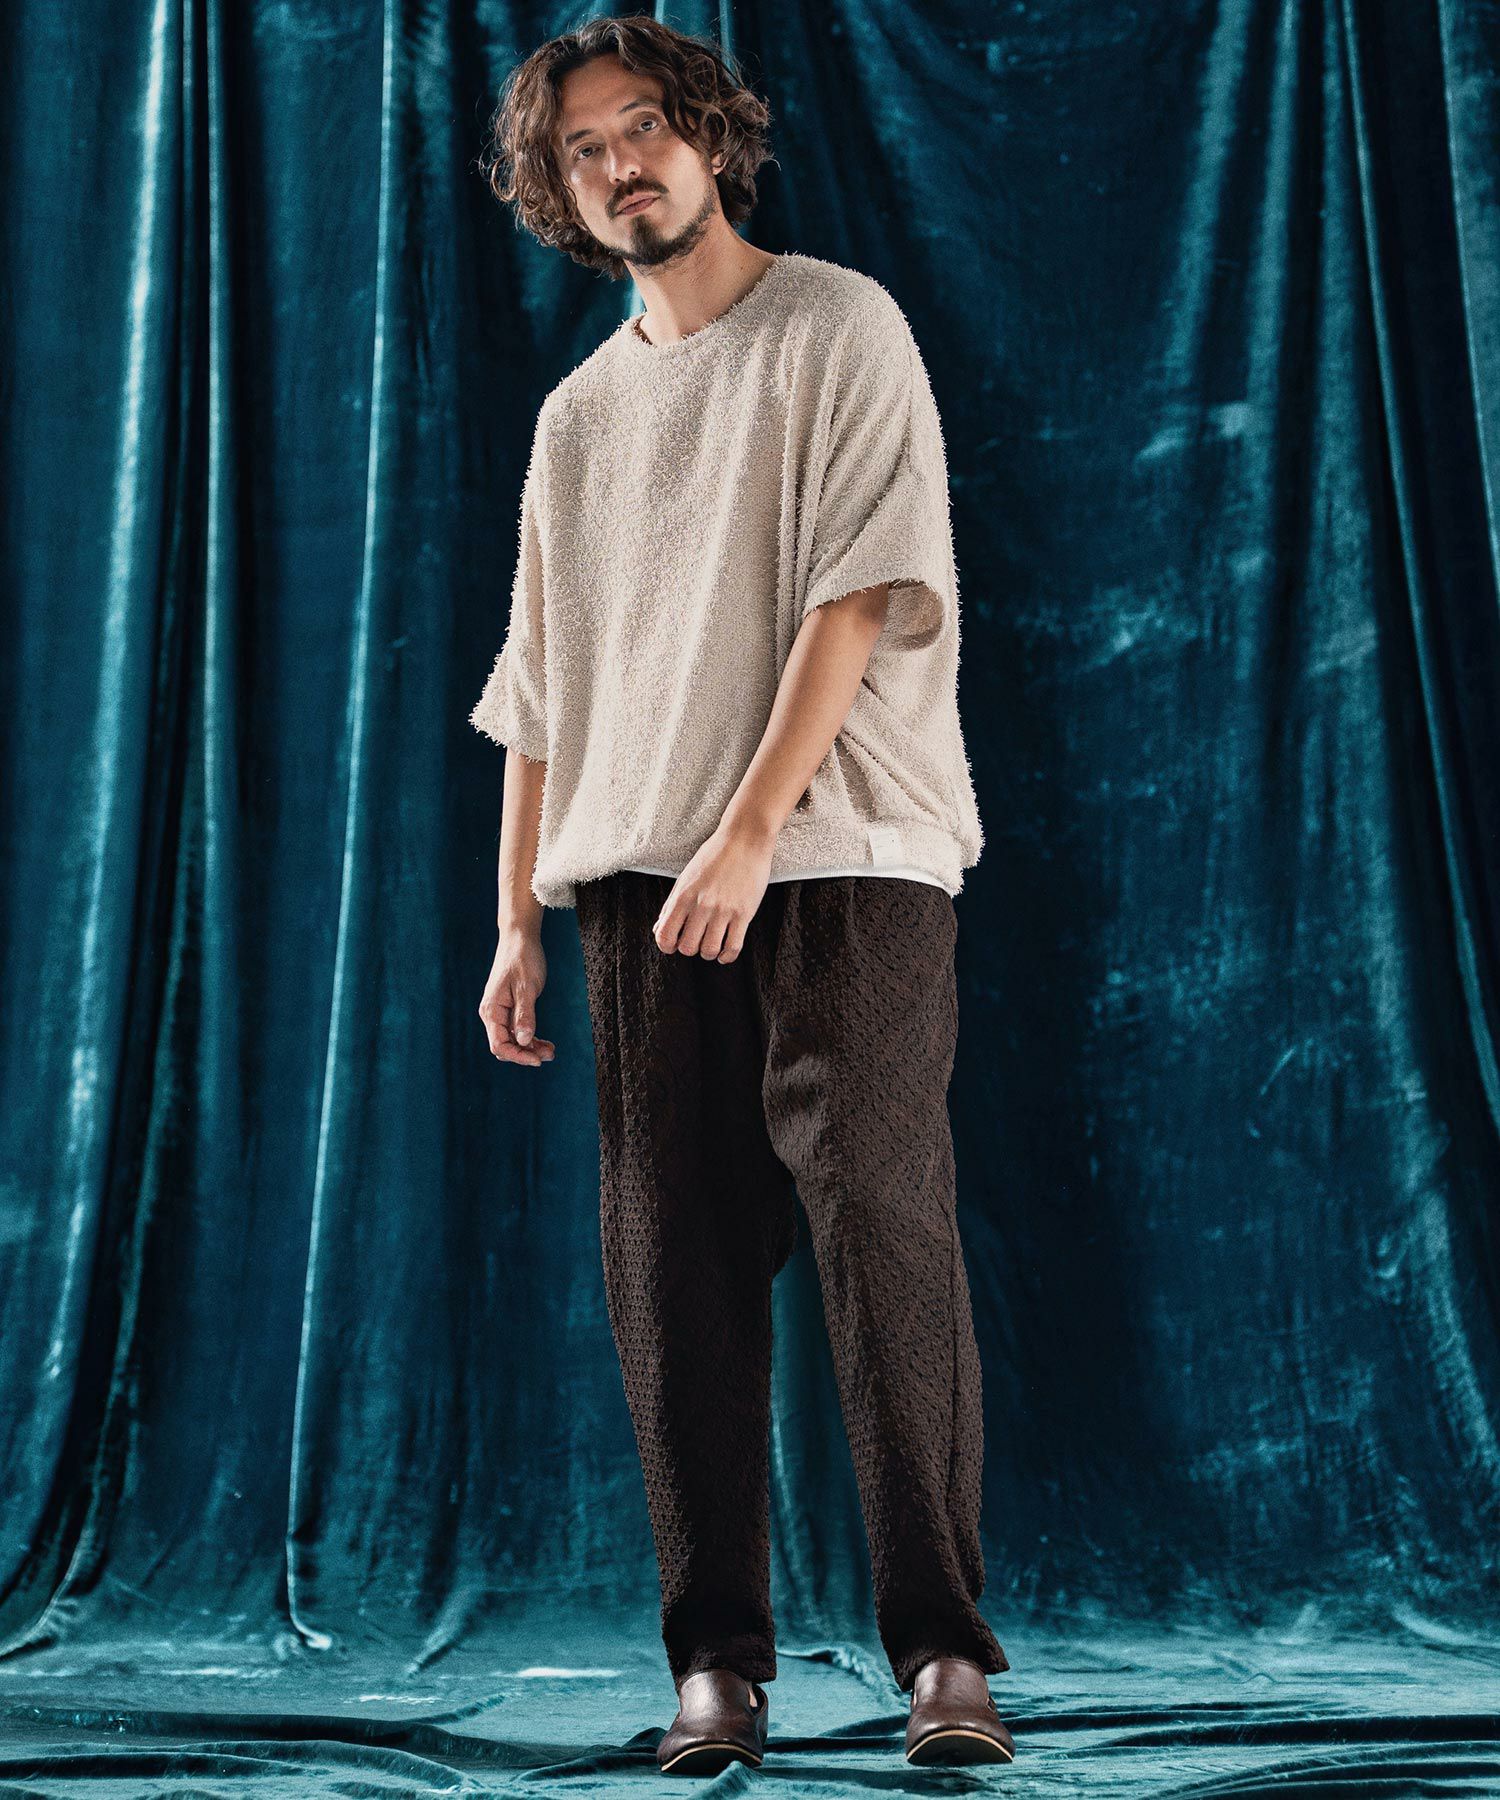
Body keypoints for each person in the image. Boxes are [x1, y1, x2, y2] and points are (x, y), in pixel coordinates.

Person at [470, 14, 1015, 1775]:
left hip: (842, 852)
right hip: (639, 885)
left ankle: (945, 1655)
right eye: (581, 149)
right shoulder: (577, 419)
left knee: (882, 1231)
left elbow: (861, 591)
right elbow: (537, 691)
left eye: (643, 126)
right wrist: (516, 922)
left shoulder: (840, 326)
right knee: (671, 1264)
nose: (619, 164)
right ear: (556, 191)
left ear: (709, 136)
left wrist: (751, 828)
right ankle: (717, 1665)